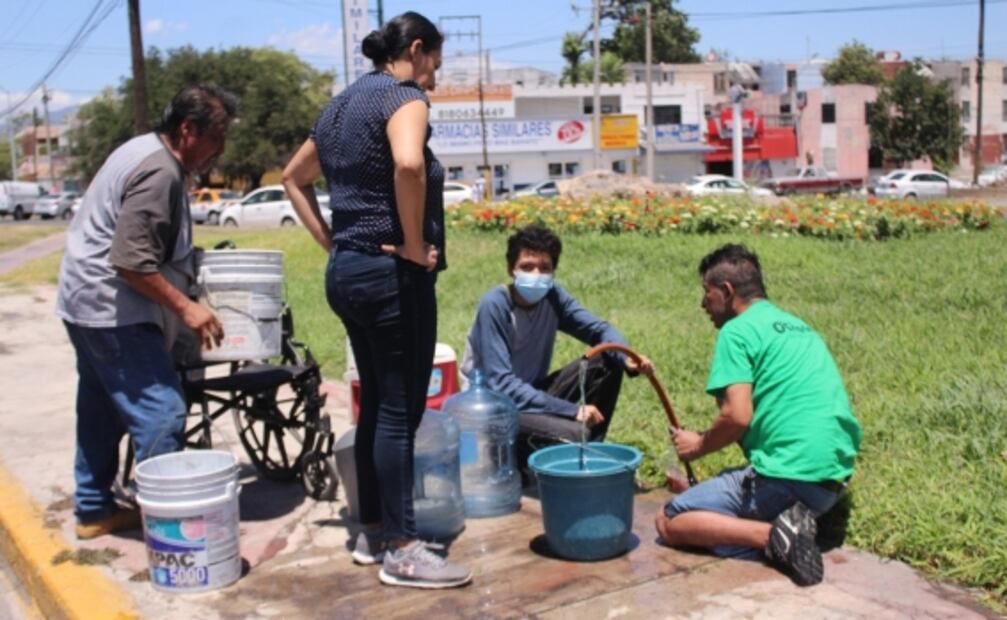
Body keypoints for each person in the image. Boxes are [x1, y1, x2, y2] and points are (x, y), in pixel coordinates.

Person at [282, 12, 470, 589]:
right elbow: (409, 164)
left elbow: (294, 177)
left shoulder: (342, 104)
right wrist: (413, 246)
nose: (435, 76)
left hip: (348, 274)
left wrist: (335, 242)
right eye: (435, 61)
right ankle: (403, 546)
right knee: (398, 410)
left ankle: (369, 529)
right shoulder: (402, 96)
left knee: (375, 406)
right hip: (392, 276)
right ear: (416, 49)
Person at [56, 84, 236, 539]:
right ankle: (169, 527)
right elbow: (131, 261)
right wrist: (187, 308)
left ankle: (95, 508)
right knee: (163, 411)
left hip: (84, 303)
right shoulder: (160, 171)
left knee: (100, 408)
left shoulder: (143, 149)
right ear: (187, 129)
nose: (221, 148)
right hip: (113, 311)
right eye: (217, 136)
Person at [655, 244, 862, 586]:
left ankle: (773, 536)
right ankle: (791, 521)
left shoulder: (736, 332)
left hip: (790, 479)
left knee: (670, 520)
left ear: (726, 291)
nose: (702, 304)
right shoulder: (797, 326)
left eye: (706, 293)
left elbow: (737, 417)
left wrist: (698, 445)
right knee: (729, 480)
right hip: (832, 481)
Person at [460, 225, 653, 474]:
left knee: (607, 360)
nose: (536, 275)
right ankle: (542, 457)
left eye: (545, 268)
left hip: (532, 393)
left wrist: (625, 357)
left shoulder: (552, 298)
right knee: (574, 432)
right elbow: (502, 386)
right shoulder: (495, 305)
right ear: (511, 269)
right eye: (527, 267)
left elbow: (601, 330)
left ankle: (582, 455)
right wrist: (572, 411)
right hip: (496, 409)